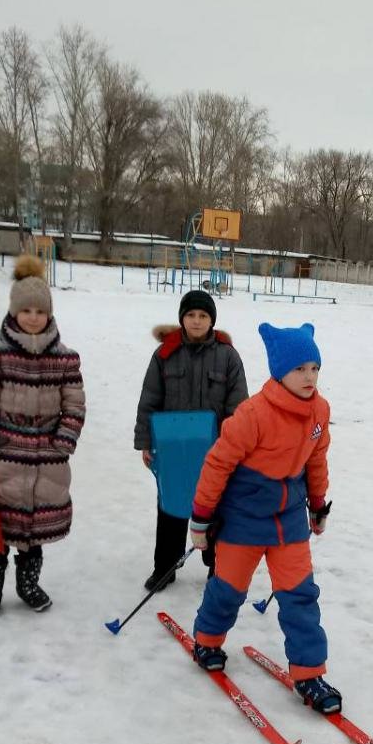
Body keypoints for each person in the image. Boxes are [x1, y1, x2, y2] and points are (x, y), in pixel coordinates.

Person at [188, 322, 339, 714]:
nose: (309, 377)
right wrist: (201, 519)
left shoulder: (320, 411)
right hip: (244, 517)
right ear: (279, 371)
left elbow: (316, 460)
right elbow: (217, 463)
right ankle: (207, 638)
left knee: (300, 596)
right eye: (299, 369)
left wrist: (317, 505)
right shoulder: (253, 414)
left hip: (288, 518)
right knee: (229, 589)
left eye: (314, 368)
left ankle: (310, 674)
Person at [0, 255, 85, 617]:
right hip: (6, 461)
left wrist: (62, 443)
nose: (33, 317)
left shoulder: (65, 360)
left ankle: (28, 584)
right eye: (26, 310)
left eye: (40, 310)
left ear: (49, 314)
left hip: (47, 461)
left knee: (33, 536)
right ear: (14, 312)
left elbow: (75, 405)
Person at [134, 289, 248, 591]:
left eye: (203, 316)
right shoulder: (164, 355)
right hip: (172, 450)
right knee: (171, 506)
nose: (196, 321)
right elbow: (149, 400)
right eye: (191, 315)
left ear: (212, 320)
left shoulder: (227, 356)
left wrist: (234, 446)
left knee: (214, 508)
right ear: (182, 318)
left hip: (214, 451)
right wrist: (146, 442)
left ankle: (217, 568)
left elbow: (238, 406)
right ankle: (165, 567)